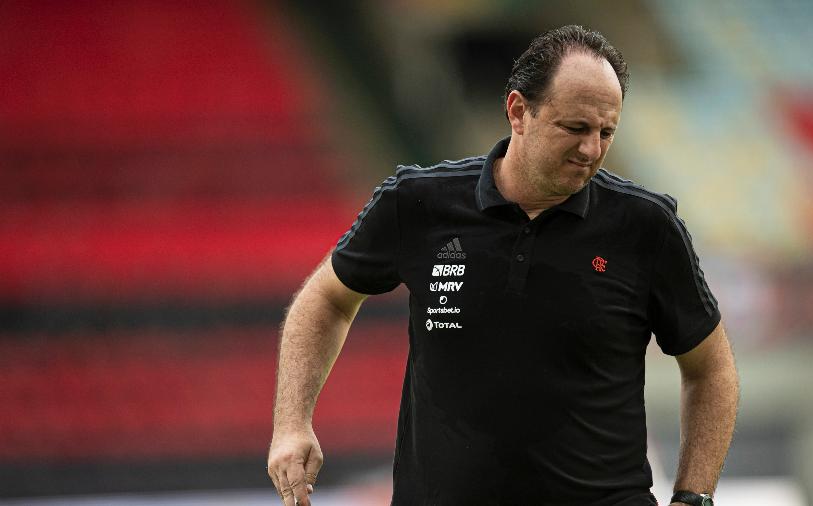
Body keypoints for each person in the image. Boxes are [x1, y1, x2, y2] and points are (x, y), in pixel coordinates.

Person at [267, 25, 739, 506]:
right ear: (518, 111)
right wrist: (291, 424)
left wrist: (693, 496)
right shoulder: (417, 203)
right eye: (575, 128)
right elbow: (327, 297)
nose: (591, 149)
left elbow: (711, 369)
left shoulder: (646, 227)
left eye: (606, 131)